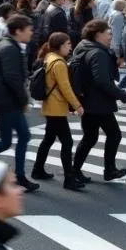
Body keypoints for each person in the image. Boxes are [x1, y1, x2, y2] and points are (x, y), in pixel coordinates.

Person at [0, 15, 39, 193]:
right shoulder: (10, 49)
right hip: (8, 100)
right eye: (28, 29)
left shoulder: (6, 45)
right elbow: (12, 78)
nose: (31, 32)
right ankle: (18, 176)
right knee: (22, 136)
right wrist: (23, 100)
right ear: (18, 31)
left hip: (4, 100)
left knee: (7, 140)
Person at [71, 19, 126, 183]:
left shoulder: (82, 47)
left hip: (87, 100)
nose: (111, 36)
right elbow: (102, 81)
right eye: (108, 33)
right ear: (98, 35)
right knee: (114, 134)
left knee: (90, 137)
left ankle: (75, 170)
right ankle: (109, 170)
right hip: (98, 102)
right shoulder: (98, 53)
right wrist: (122, 94)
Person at [30, 32, 85, 190]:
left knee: (48, 139)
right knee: (67, 142)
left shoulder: (49, 57)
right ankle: (69, 179)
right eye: (67, 44)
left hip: (51, 105)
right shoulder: (59, 63)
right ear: (59, 46)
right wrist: (77, 105)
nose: (70, 47)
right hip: (56, 107)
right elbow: (65, 88)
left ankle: (38, 169)